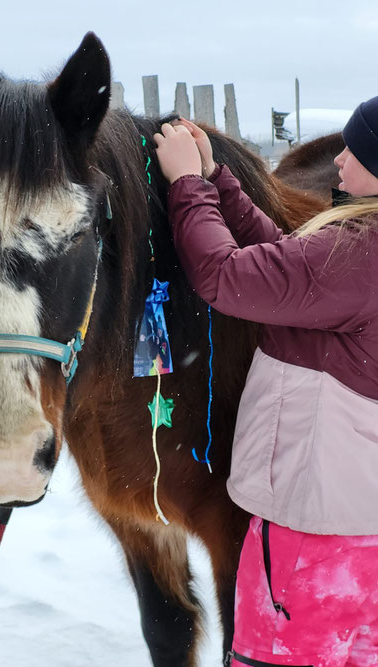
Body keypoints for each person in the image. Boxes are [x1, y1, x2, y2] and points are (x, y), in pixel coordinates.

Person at [153, 97, 378, 667]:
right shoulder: (357, 252)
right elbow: (288, 262)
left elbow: (228, 278)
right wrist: (220, 182)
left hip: (314, 532)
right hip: (357, 521)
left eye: (359, 150)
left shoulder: (359, 253)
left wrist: (186, 186)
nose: (342, 158)